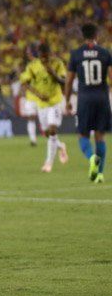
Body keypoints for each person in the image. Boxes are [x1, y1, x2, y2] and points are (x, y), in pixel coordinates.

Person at [64, 23, 112, 183]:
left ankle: (91, 157)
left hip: (84, 99)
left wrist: (67, 100)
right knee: (100, 137)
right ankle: (100, 175)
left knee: (82, 135)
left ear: (82, 36)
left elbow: (69, 81)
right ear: (96, 35)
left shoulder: (76, 54)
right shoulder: (105, 53)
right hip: (102, 98)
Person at [19, 43, 68, 172]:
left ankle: (48, 163)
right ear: (38, 55)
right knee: (46, 133)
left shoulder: (57, 63)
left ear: (50, 54)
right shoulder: (32, 66)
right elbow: (24, 83)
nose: (44, 59)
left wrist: (53, 73)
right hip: (41, 104)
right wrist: (38, 94)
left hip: (55, 101)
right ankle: (60, 146)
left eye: (46, 56)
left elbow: (64, 82)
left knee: (52, 130)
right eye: (42, 57)